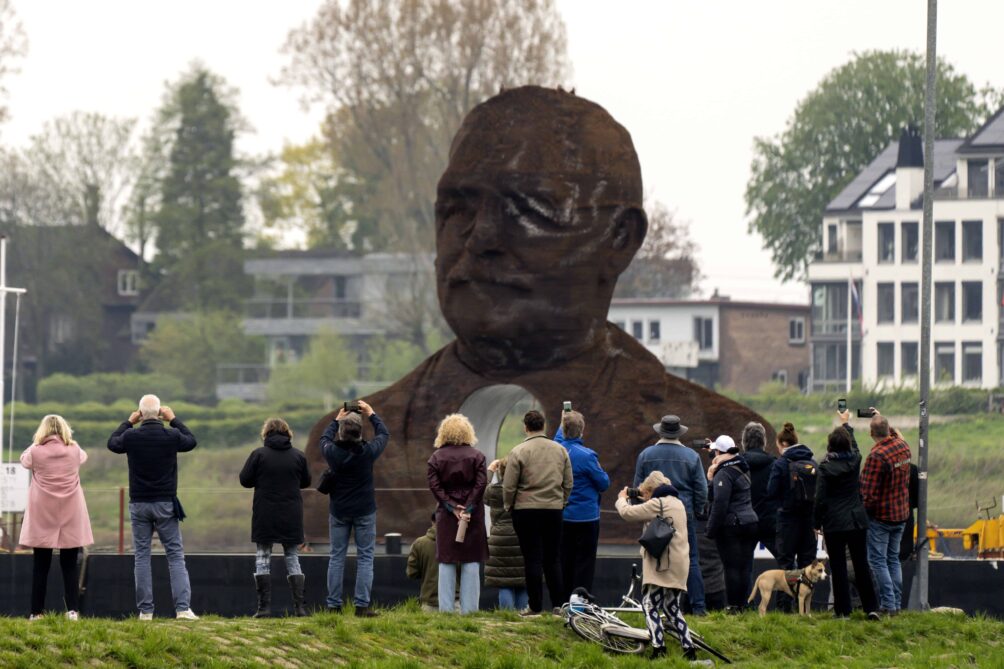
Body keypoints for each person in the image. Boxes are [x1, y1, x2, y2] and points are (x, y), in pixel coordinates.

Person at [302, 86, 768, 545]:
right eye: (458, 208)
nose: (481, 236)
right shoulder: (354, 441)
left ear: (620, 238)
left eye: (529, 207)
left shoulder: (712, 428)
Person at [107, 395, 198, 621]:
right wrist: (174, 419)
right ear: (159, 414)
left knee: (142, 556)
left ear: (140, 413)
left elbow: (112, 443)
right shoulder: (171, 435)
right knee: (175, 555)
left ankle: (146, 611)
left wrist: (128, 422)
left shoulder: (130, 436)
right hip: (166, 503)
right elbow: (191, 440)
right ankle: (182, 609)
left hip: (138, 503)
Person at [615, 471, 711, 666]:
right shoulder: (678, 503)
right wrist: (646, 496)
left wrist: (622, 499)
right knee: (672, 607)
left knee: (649, 604)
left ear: (651, 490)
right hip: (679, 564)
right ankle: (688, 648)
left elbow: (628, 513)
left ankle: (659, 648)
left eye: (646, 492)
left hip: (662, 566)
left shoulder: (658, 504)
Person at [19, 415, 93, 620]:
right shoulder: (75, 450)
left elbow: (24, 461)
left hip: (43, 514)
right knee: (69, 565)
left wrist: (35, 443)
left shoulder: (35, 451)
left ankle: (36, 612)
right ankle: (72, 611)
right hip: (70, 512)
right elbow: (84, 457)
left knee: (40, 566)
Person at [319, 399, 389, 617]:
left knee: (336, 556)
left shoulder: (331, 451)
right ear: (360, 433)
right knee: (366, 557)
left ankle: (333, 606)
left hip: (339, 510)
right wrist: (371, 413)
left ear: (341, 432)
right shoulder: (368, 452)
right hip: (365, 510)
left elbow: (323, 438)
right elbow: (384, 435)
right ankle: (362, 606)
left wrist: (336, 419)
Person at [634, 415, 708, 614]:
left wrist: (642, 507)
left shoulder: (646, 455)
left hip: (654, 515)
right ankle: (698, 607)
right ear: (679, 433)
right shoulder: (692, 456)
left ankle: (654, 606)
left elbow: (638, 488)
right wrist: (698, 509)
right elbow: (701, 489)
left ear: (660, 431)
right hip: (684, 515)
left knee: (654, 558)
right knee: (690, 559)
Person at [239, 417, 312, 618]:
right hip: (291, 513)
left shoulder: (258, 455)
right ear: (287, 433)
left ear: (266, 433)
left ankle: (264, 609)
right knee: (292, 557)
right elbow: (306, 481)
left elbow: (244, 480)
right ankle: (300, 608)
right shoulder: (298, 456)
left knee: (263, 557)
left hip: (265, 513)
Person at [502, 410, 573, 616]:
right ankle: (559, 604)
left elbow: (509, 486)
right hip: (553, 509)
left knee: (532, 558)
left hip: (525, 510)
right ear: (544, 426)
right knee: (553, 558)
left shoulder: (518, 451)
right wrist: (561, 501)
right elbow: (568, 482)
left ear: (526, 427)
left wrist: (509, 505)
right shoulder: (560, 450)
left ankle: (534, 606)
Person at [813, 411, 879, 620]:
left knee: (839, 568)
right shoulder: (855, 460)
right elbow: (856, 446)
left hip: (834, 524)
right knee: (861, 565)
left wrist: (816, 522)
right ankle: (871, 608)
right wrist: (846, 423)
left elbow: (820, 498)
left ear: (830, 446)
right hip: (856, 520)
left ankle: (843, 611)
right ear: (847, 444)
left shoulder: (824, 468)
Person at [427, 413, 488, 614]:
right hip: (473, 514)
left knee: (446, 559)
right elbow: (481, 485)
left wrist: (452, 506)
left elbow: (435, 487)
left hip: (447, 515)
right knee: (471, 559)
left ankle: (446, 610)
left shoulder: (436, 458)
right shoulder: (477, 456)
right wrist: (468, 508)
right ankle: (470, 610)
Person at [554, 410, 609, 605]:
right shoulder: (587, 456)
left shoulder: (556, 451)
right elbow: (603, 483)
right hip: (586, 518)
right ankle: (581, 602)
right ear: (582, 431)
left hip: (562, 516)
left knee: (563, 561)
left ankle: (562, 602)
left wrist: (563, 422)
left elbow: (559, 439)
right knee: (584, 563)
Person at [860, 410, 912, 615]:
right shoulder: (903, 446)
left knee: (878, 561)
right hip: (901, 514)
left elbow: (868, 494)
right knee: (893, 559)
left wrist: (865, 515)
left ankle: (888, 606)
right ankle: (897, 604)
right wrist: (881, 418)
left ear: (871, 432)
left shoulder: (876, 456)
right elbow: (892, 433)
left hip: (881, 517)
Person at [764, 421, 817, 612]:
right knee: (806, 565)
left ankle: (784, 608)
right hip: (808, 520)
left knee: (786, 565)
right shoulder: (812, 462)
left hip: (787, 520)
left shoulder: (781, 463)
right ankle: (804, 608)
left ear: (783, 444)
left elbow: (771, 491)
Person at [704, 435, 758, 613]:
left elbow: (719, 504)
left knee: (732, 568)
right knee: (744, 567)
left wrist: (711, 530)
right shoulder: (742, 467)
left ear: (718, 453)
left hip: (732, 525)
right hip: (750, 522)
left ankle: (734, 607)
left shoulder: (724, 473)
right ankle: (744, 606)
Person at [485, 458, 528, 611]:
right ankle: (524, 617)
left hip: (499, 540)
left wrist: (490, 471)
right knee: (524, 581)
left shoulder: (494, 490)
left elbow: (480, 490)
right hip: (523, 538)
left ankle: (506, 618)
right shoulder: (524, 490)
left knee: (504, 582)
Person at [741, 422, 778, 563]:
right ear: (764, 441)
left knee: (742, 568)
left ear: (744, 442)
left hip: (745, 523)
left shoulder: (737, 465)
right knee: (788, 564)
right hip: (770, 522)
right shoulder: (775, 465)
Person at [406, 514, 440, 612]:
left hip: (429, 603)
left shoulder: (419, 543)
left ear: (432, 521)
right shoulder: (459, 542)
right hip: (456, 603)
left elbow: (411, 573)